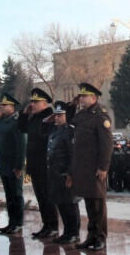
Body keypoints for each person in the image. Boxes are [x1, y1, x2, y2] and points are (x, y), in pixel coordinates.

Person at [70, 83, 113, 251]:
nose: (81, 98)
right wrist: (71, 106)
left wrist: (103, 167)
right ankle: (91, 236)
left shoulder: (100, 116)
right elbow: (69, 122)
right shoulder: (81, 115)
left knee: (98, 205)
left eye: (84, 96)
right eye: (80, 96)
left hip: (96, 168)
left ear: (93, 98)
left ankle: (101, 237)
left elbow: (107, 145)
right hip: (83, 168)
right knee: (89, 203)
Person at [18, 88, 58, 239]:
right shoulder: (34, 118)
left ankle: (53, 226)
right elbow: (22, 128)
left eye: (36, 102)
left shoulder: (50, 117)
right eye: (32, 102)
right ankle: (46, 225)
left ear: (45, 103)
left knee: (48, 198)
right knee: (41, 198)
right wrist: (24, 114)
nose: (32, 104)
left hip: (45, 165)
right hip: (35, 164)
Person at [0, 92, 27, 235]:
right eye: (1, 105)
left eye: (5, 105)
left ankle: (18, 224)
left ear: (12, 107)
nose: (2, 107)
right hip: (3, 165)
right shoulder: (1, 122)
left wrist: (19, 166)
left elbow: (21, 146)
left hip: (13, 166)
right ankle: (11, 223)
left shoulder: (17, 122)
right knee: (9, 196)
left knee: (16, 196)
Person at [44, 100, 81, 245]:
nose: (57, 118)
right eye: (56, 115)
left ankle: (74, 233)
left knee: (70, 205)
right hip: (55, 174)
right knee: (61, 205)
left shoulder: (69, 131)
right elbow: (42, 128)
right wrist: (49, 119)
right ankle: (67, 232)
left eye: (60, 115)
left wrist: (71, 174)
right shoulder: (54, 130)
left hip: (66, 175)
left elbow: (73, 155)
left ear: (66, 116)